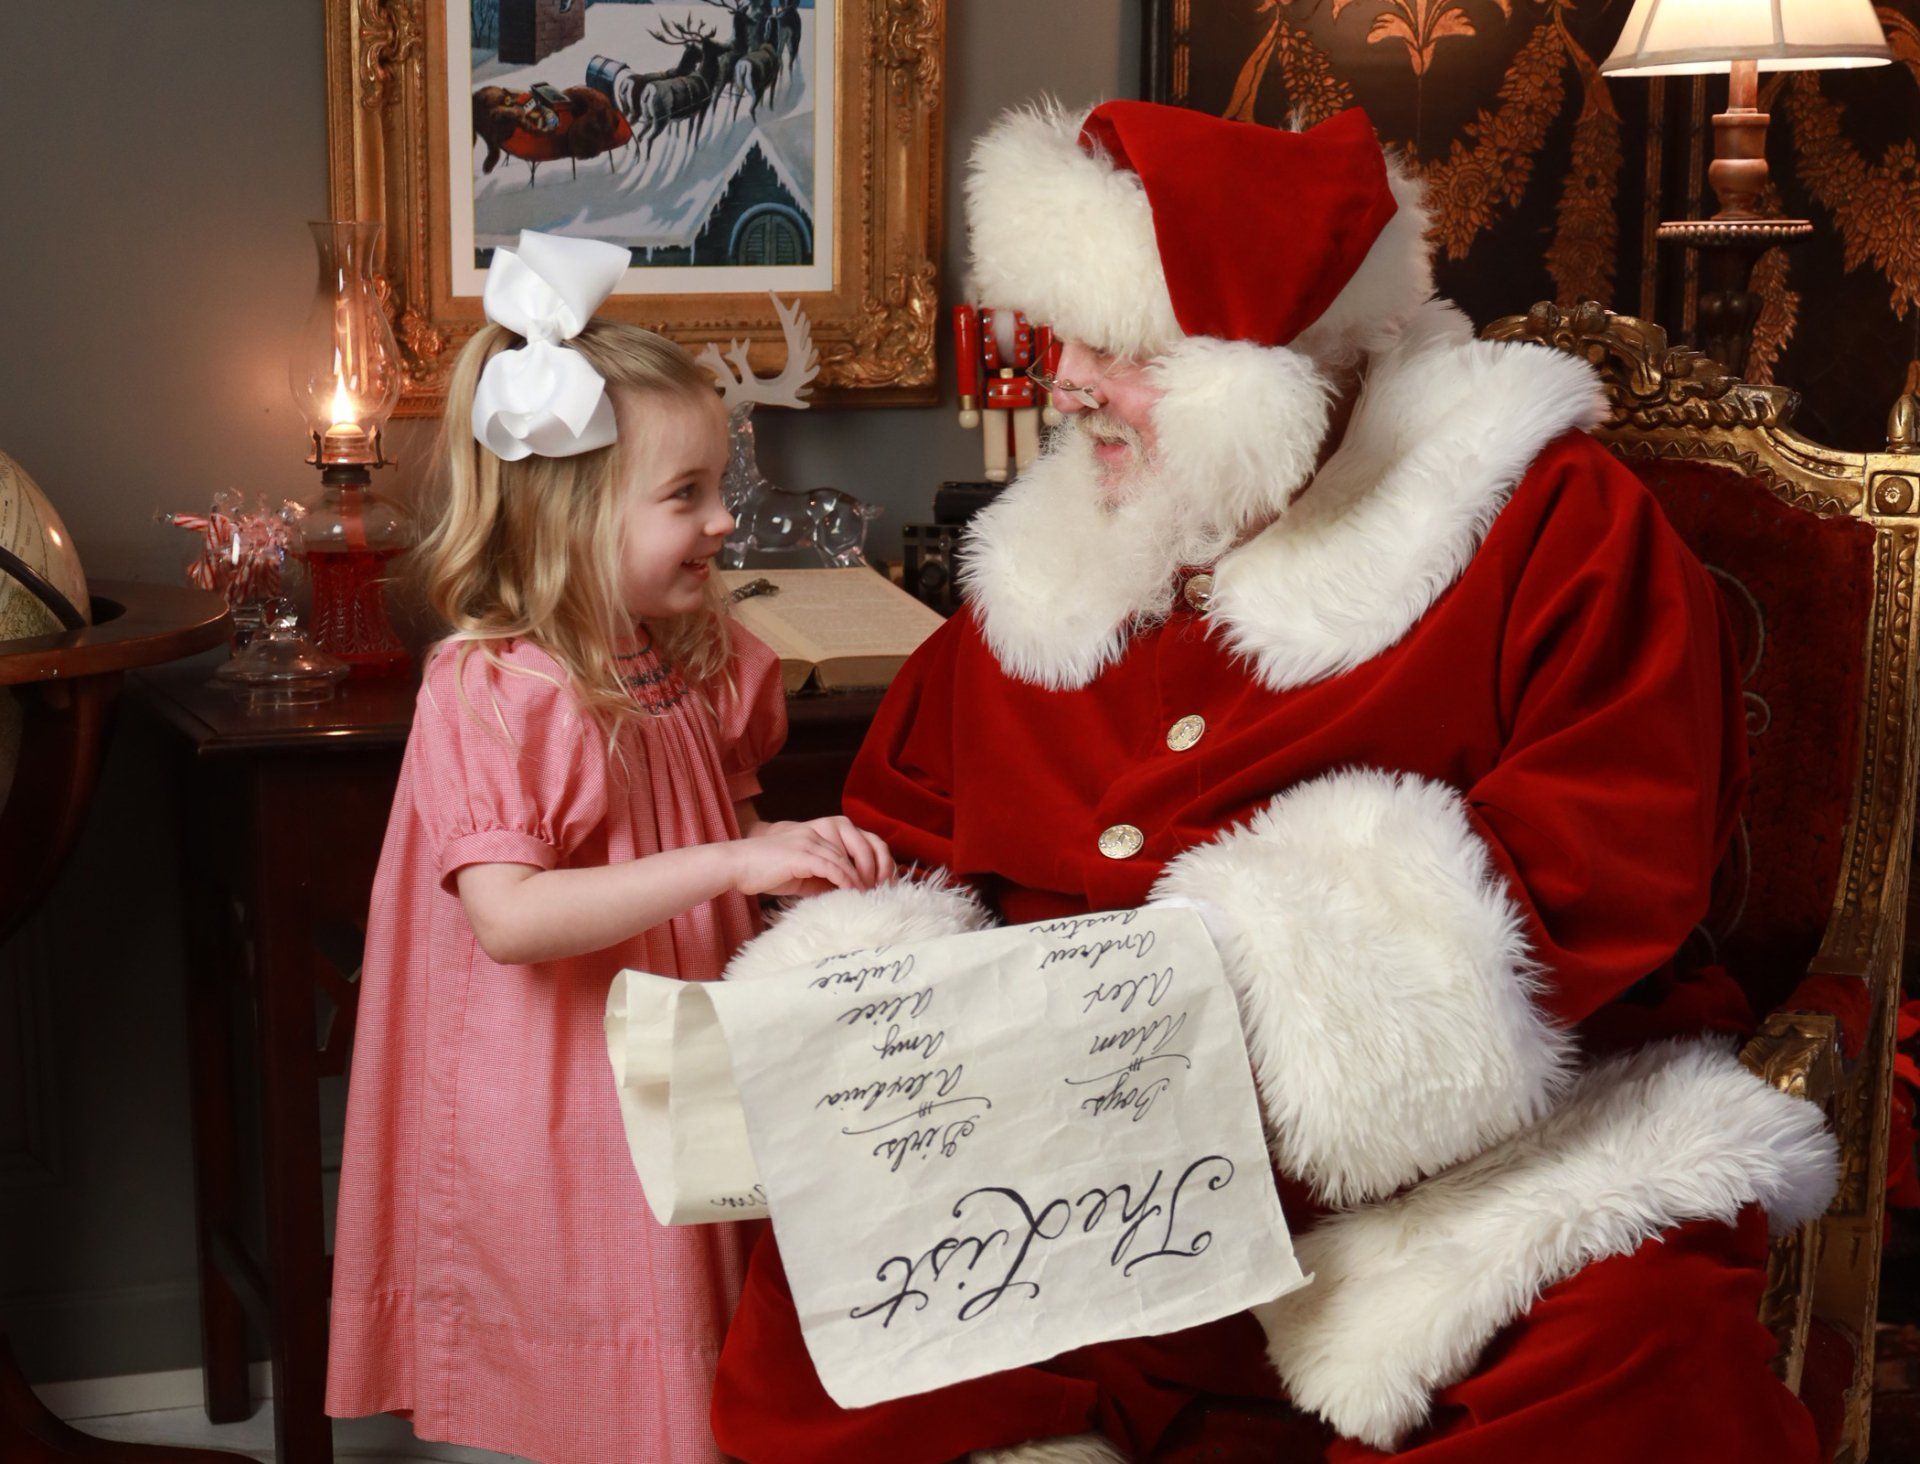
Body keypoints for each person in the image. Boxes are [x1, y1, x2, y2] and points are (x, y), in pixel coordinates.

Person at [707, 103, 1840, 1461]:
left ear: (1268, 367)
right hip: (1066, 1153)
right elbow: (910, 831)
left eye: (1119, 350)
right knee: (832, 1317)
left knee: (1627, 1357)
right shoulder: (1049, 567)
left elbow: (1609, 859)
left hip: (1468, 1160)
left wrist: (1234, 1013)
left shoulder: (1552, 523)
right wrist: (882, 988)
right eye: (1061, 338)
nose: (1064, 385)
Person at [324, 229, 894, 1463]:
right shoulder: (498, 687)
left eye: (719, 487)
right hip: (571, 1078)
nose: (724, 520)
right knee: (628, 1342)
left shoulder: (698, 658)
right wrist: (732, 866)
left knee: (719, 1343)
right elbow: (511, 918)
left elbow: (725, 831)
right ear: (571, 513)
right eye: (687, 496)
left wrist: (794, 863)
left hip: (684, 1044)